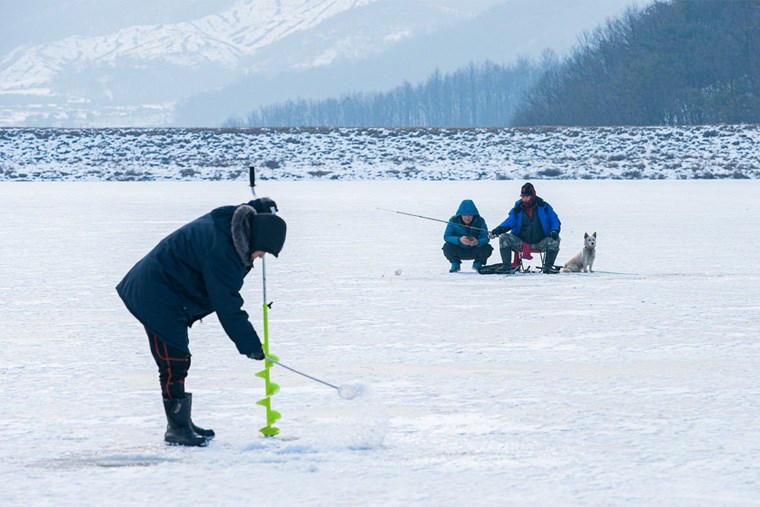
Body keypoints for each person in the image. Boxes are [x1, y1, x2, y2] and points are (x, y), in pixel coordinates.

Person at [116, 197, 286, 447]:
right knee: (174, 361)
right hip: (155, 293)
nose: (260, 258)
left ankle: (182, 423)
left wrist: (260, 207)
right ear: (256, 239)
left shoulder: (232, 227)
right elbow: (226, 303)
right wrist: (250, 345)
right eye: (263, 251)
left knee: (177, 360)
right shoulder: (223, 250)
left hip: (170, 290)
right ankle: (177, 428)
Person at [489, 182, 561, 273]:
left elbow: (555, 220)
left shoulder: (545, 207)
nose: (524, 199)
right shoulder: (517, 209)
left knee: (555, 239)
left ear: (533, 196)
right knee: (504, 237)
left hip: (541, 242)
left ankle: (548, 267)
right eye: (522, 197)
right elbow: (509, 222)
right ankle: (506, 266)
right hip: (521, 243)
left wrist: (555, 230)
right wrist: (498, 230)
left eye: (526, 197)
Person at [442, 199, 493, 272]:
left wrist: (477, 242)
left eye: (470, 215)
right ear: (460, 214)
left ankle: (478, 263)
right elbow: (447, 236)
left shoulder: (480, 221)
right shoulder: (453, 220)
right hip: (459, 248)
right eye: (465, 215)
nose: (467, 217)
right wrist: (459, 240)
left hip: (475, 249)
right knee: (447, 247)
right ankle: (455, 264)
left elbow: (486, 237)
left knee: (487, 248)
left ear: (474, 215)